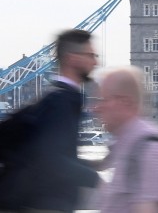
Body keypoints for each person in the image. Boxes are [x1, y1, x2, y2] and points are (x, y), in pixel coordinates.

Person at [16, 29, 100, 212]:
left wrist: (97, 163)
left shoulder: (55, 97)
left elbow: (59, 154)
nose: (96, 62)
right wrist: (97, 180)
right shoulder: (61, 101)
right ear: (73, 59)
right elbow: (52, 160)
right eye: (90, 55)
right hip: (48, 205)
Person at [93, 66, 158, 213]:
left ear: (125, 102)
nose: (96, 108)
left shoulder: (149, 149)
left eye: (104, 99)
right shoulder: (125, 146)